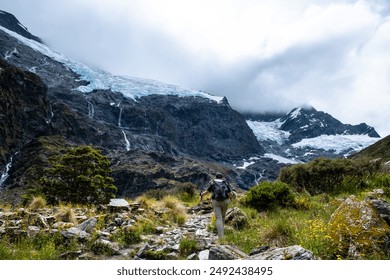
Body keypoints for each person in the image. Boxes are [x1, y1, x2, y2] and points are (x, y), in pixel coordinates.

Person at [200, 173, 236, 240]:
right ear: (221, 177)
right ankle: (222, 233)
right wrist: (233, 198)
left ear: (216, 177)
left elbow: (207, 192)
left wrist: (201, 195)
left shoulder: (213, 183)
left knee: (218, 218)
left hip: (215, 201)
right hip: (225, 201)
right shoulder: (225, 183)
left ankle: (221, 237)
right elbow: (230, 193)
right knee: (223, 217)